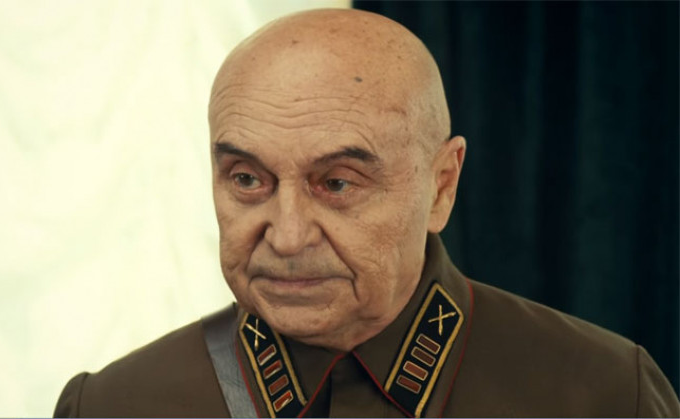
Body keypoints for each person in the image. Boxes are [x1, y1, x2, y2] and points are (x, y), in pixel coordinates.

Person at [54, 8, 679, 418]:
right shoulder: (113, 406)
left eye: (336, 183)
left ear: (441, 186)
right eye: (247, 179)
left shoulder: (603, 395)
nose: (287, 236)